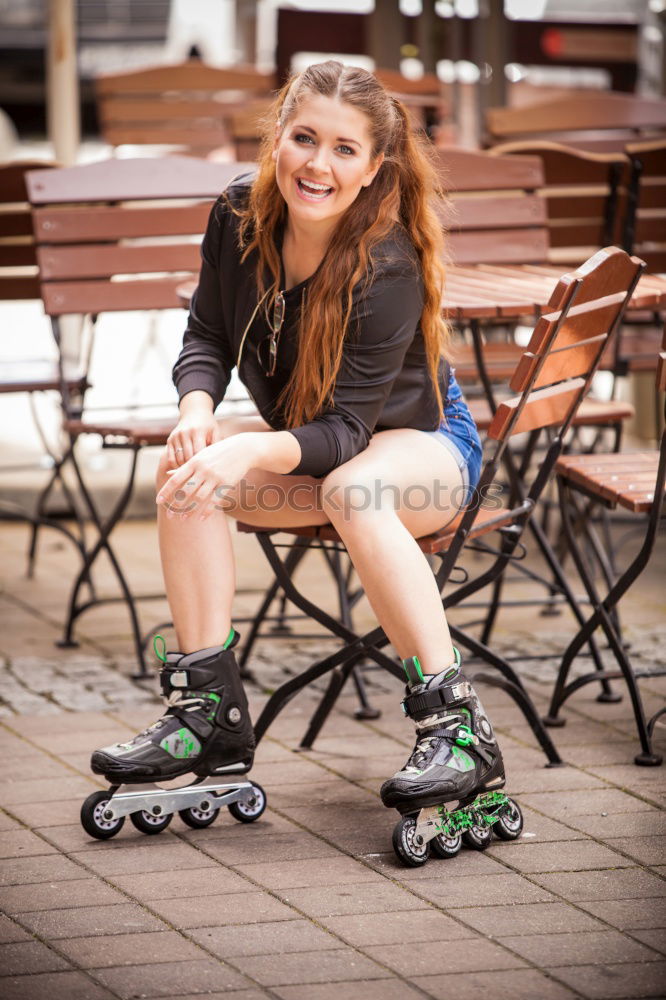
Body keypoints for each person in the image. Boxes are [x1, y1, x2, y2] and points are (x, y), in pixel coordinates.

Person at [91, 61, 505, 828]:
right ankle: (207, 714)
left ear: (375, 165)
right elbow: (208, 333)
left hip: (421, 446)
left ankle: (457, 729)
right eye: (305, 138)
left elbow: (350, 435)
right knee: (186, 473)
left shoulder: (387, 263)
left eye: (345, 149)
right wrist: (196, 413)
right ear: (277, 136)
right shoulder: (238, 215)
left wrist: (248, 450)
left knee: (356, 488)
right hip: (313, 445)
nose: (318, 164)